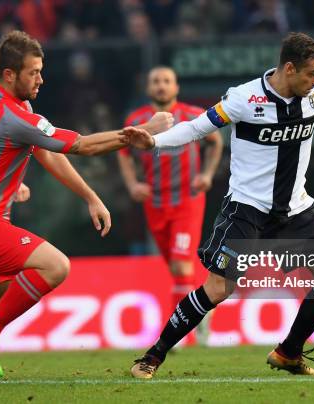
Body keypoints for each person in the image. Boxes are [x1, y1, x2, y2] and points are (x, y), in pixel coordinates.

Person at [129, 32, 314, 378]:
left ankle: (288, 353)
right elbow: (196, 128)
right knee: (219, 288)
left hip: (296, 210)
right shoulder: (243, 98)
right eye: (311, 73)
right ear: (288, 68)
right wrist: (154, 141)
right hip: (247, 209)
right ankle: (153, 356)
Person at [0, 30, 170, 378]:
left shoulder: (2, 101)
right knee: (56, 266)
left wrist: (90, 196)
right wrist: (139, 131)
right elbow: (83, 146)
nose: (41, 79)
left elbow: (47, 153)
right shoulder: (13, 116)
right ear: (10, 74)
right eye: (34, 72)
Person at [118, 66, 223, 344]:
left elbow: (216, 141)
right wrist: (132, 185)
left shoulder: (192, 115)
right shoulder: (137, 119)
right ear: (148, 88)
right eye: (156, 81)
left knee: (180, 264)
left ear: (176, 87)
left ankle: (175, 333)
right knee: (178, 268)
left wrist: (207, 174)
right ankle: (202, 309)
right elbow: (123, 153)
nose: (161, 86)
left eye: (166, 81)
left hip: (187, 200)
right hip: (155, 202)